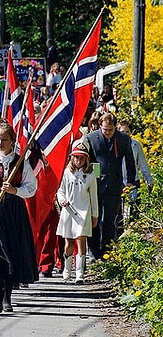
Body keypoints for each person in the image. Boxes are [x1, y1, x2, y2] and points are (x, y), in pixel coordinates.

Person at [0, 122, 38, 313]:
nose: (0, 143)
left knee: (10, 253)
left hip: (14, 211)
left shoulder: (20, 162)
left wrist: (15, 190)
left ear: (12, 141)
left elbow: (31, 187)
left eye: (4, 140)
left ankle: (6, 299)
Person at [85, 113, 136, 260]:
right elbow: (86, 160)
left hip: (114, 184)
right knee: (94, 217)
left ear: (115, 127)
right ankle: (93, 251)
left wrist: (130, 182)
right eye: (105, 129)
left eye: (110, 130)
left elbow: (130, 162)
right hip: (95, 184)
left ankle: (106, 250)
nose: (107, 132)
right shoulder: (91, 138)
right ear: (100, 126)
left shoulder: (123, 139)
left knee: (110, 219)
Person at [56, 141, 99, 284]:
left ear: (86, 159)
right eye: (76, 157)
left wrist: (95, 214)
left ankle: (80, 273)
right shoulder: (67, 172)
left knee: (81, 241)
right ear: (72, 158)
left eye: (81, 158)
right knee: (69, 243)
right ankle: (67, 269)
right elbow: (60, 191)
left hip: (84, 212)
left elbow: (94, 196)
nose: (78, 161)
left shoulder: (91, 174)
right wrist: (62, 200)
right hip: (69, 211)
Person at [117, 121, 152, 222]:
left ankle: (133, 230)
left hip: (133, 180)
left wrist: (148, 180)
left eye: (127, 132)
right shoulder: (115, 145)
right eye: (123, 131)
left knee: (133, 210)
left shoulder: (135, 145)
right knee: (119, 211)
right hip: (119, 181)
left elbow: (142, 163)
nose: (125, 134)